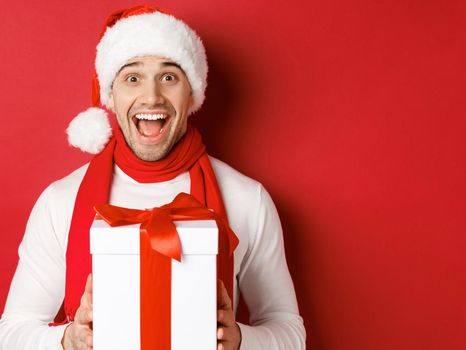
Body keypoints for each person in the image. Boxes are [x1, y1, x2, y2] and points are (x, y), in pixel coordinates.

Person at [0, 5, 305, 350]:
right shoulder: (60, 201)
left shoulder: (247, 199)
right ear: (110, 95)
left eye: (169, 77)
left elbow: (290, 334)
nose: (151, 97)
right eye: (132, 78)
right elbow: (11, 334)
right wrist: (69, 339)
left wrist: (239, 341)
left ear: (192, 93)